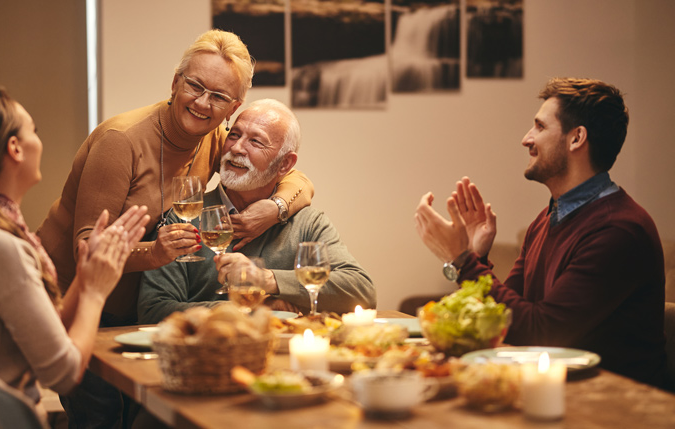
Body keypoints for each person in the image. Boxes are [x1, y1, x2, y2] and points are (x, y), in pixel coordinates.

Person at [37, 29, 313, 327]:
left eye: (219, 96)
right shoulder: (120, 140)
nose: (203, 103)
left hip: (127, 308)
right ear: (175, 83)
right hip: (60, 297)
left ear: (233, 108)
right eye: (195, 86)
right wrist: (154, 253)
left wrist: (275, 209)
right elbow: (87, 249)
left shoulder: (216, 139)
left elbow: (296, 179)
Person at [414, 77, 666, 387]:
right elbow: (509, 319)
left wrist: (462, 260)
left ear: (576, 139)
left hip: (613, 406)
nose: (526, 138)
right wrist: (477, 255)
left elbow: (541, 332)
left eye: (540, 127)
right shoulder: (546, 218)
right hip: (551, 391)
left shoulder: (619, 230)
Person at [0, 89, 148, 428]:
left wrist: (85, 272)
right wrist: (95, 291)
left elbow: (50, 332)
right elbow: (63, 373)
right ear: (15, 148)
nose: (39, 141)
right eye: (33, 130)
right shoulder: (0, 247)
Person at [138, 99, 376, 323]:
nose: (237, 148)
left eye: (255, 141)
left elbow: (362, 293)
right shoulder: (185, 216)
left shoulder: (308, 223)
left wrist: (266, 280)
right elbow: (153, 309)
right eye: (234, 135)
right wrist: (250, 309)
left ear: (285, 164)